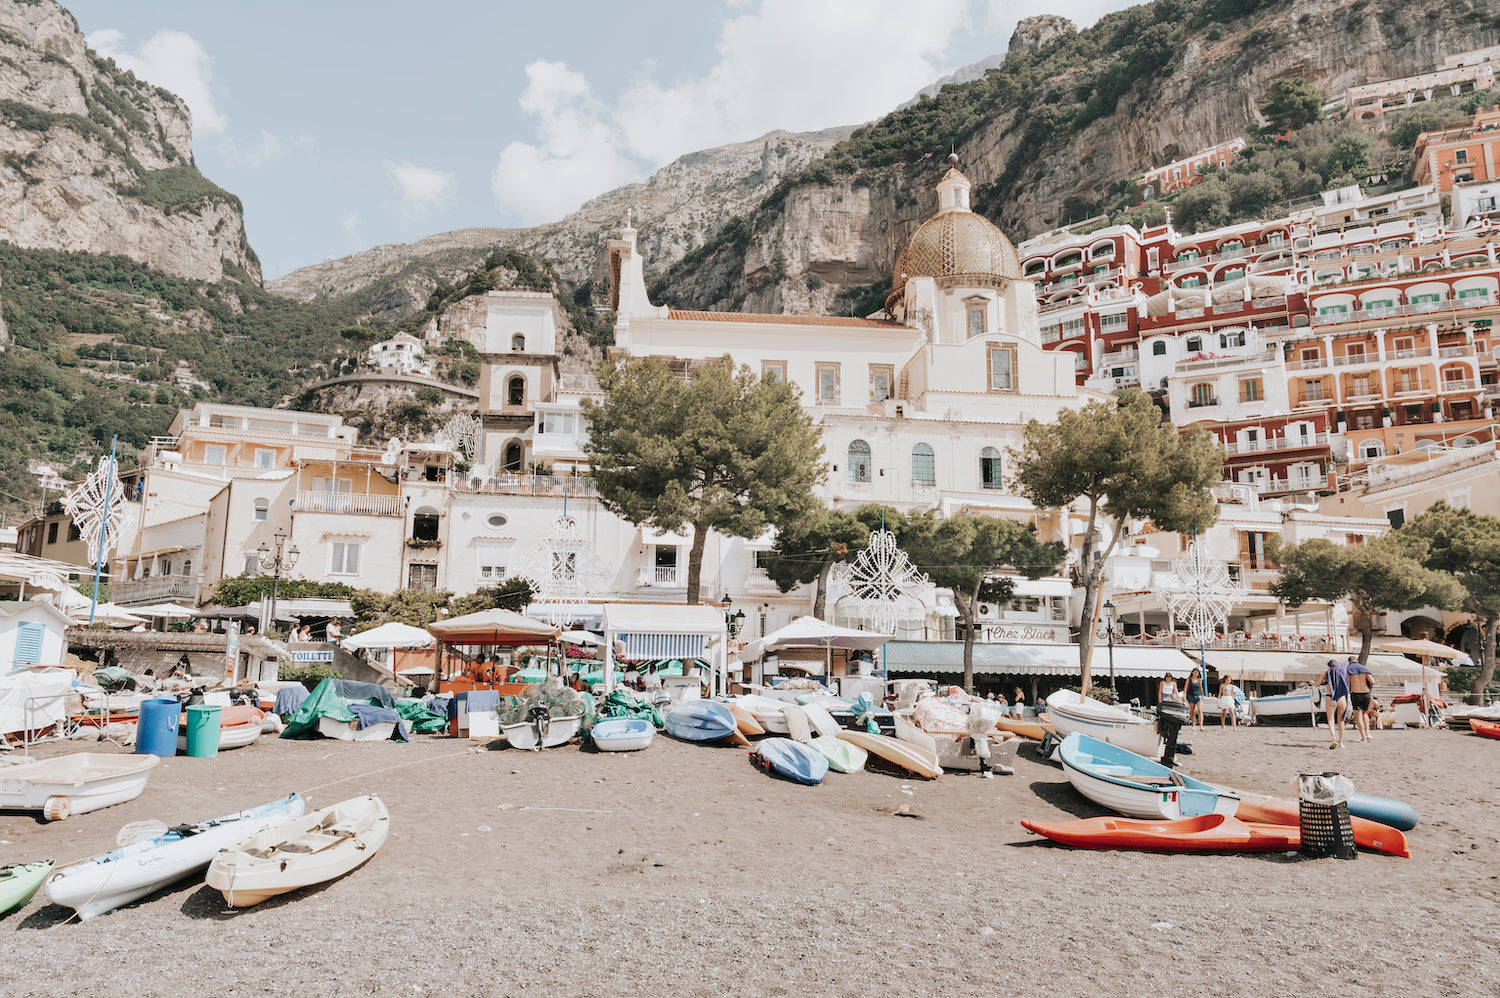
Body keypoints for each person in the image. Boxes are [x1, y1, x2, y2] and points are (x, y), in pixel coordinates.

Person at [1318, 658, 1351, 749]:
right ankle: (1341, 743)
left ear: (1329, 666)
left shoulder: (1326, 672)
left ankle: (1334, 738)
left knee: (1331, 720)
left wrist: (1312, 683)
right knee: (1341, 721)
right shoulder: (1343, 673)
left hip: (1330, 697)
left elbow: (1317, 684)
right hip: (1342, 698)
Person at [1347, 655, 1374, 742]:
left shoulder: (1348, 669)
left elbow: (1346, 682)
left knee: (1358, 715)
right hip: (1366, 693)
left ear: (1349, 662)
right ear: (1357, 661)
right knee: (1365, 714)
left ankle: (1363, 737)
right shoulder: (1364, 669)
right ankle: (1367, 733)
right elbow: (1372, 681)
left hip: (1356, 693)